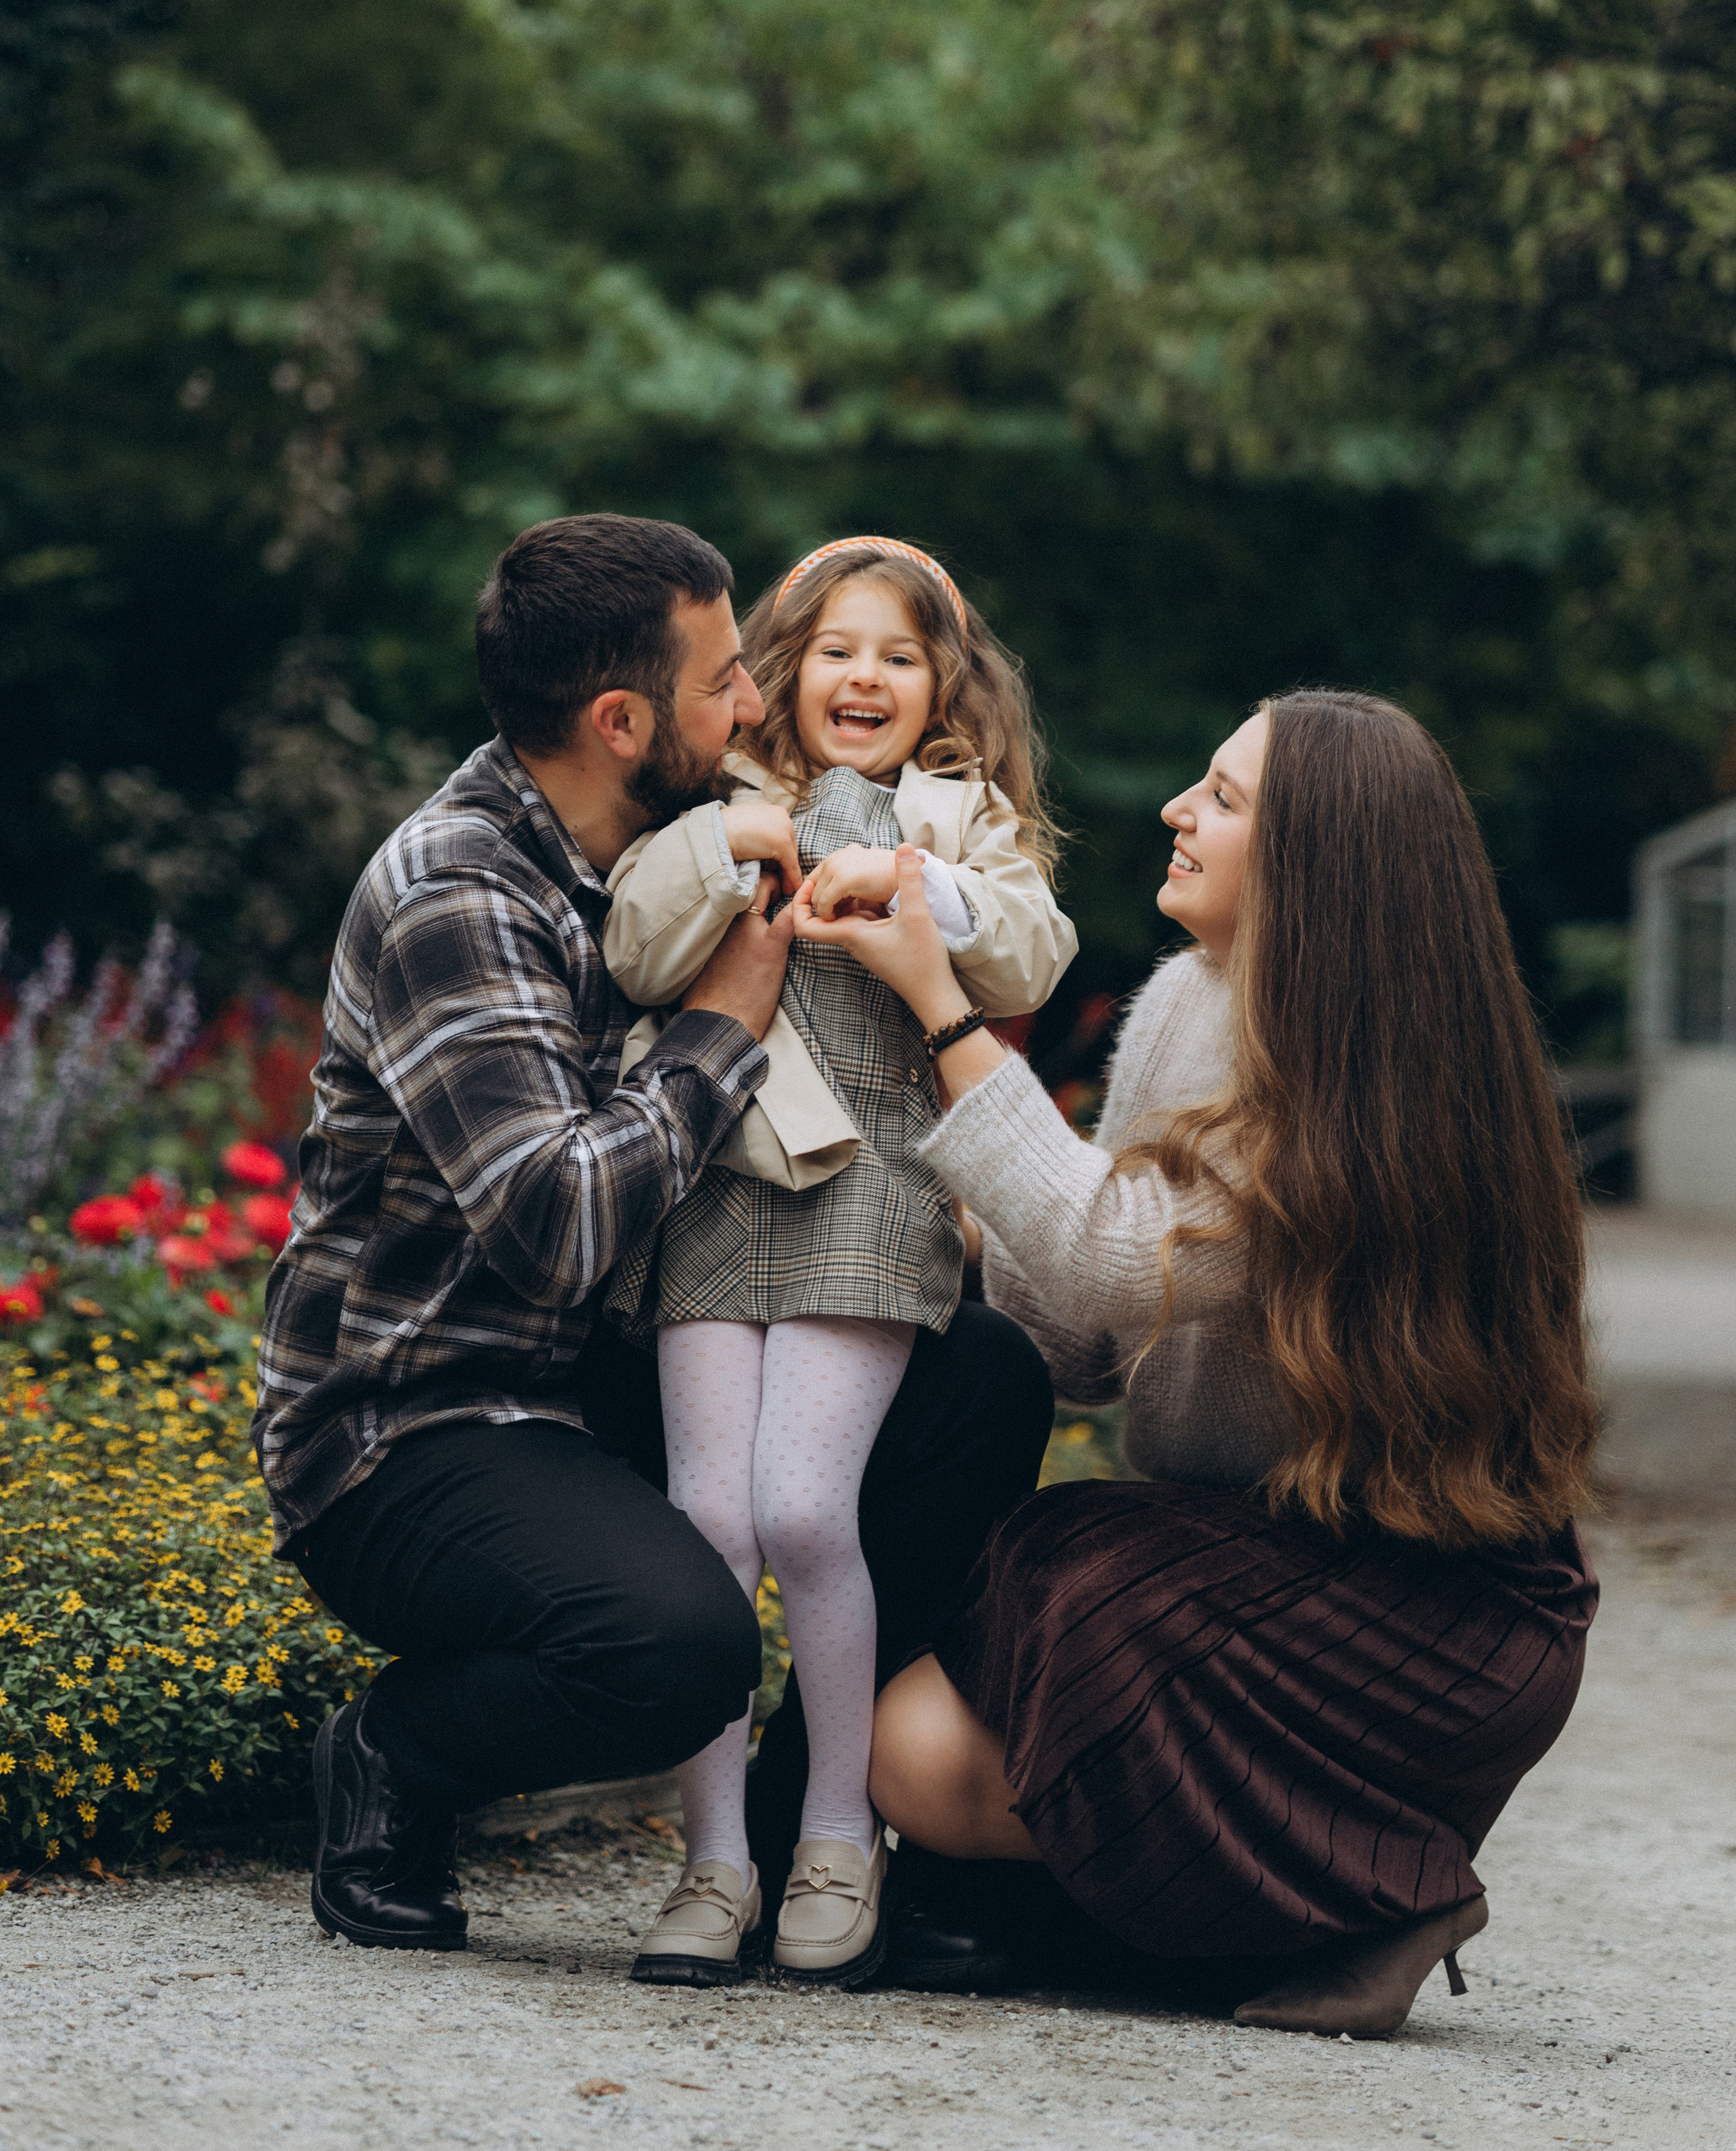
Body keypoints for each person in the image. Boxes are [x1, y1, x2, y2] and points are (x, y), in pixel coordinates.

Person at [253, 513, 1052, 1969]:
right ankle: (395, 1751)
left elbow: (1005, 937)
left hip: (590, 1365)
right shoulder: (458, 890)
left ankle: (813, 1831)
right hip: (421, 1424)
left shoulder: (655, 835)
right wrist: (725, 1022)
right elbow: (558, 1227)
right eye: (722, 681)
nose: (756, 701)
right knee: (677, 1638)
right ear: (623, 723)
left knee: (982, 1382)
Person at [797, 690, 1601, 2038]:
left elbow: (1113, 1255)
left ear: (1311, 865)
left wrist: (944, 1009)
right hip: (1237, 1556)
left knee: (1028, 1634)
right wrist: (927, 1226)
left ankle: (1386, 1888)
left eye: (1223, 799)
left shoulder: (1357, 1078)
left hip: (1423, 1609)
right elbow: (1080, 1334)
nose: (1177, 810)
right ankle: (1291, 1912)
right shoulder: (1183, 998)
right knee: (937, 1734)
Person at [601, 536, 1075, 1989]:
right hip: (713, 1184)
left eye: (899, 655)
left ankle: (831, 1833)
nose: (865, 677)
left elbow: (1032, 949)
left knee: (805, 1510)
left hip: (871, 1182)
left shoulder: (961, 814)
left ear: (942, 685)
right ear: (784, 668)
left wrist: (913, 878)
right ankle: (713, 1858)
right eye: (836, 650)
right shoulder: (712, 798)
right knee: (709, 1525)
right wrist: (735, 843)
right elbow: (634, 948)